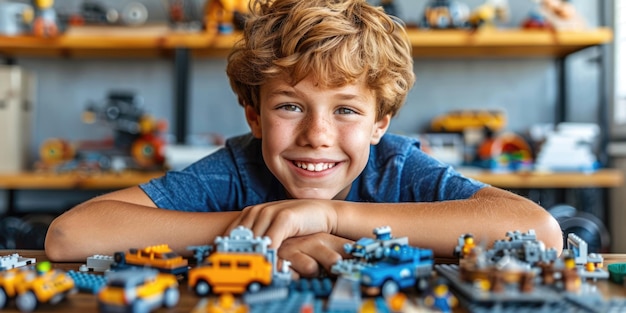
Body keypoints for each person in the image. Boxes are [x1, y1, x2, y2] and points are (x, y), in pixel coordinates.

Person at [45, 0, 563, 276]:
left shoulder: (397, 167)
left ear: (380, 123)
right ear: (254, 116)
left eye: (345, 110)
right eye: (290, 106)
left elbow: (540, 230)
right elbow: (70, 236)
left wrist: (331, 217)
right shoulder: (236, 169)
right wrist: (268, 230)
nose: (317, 136)